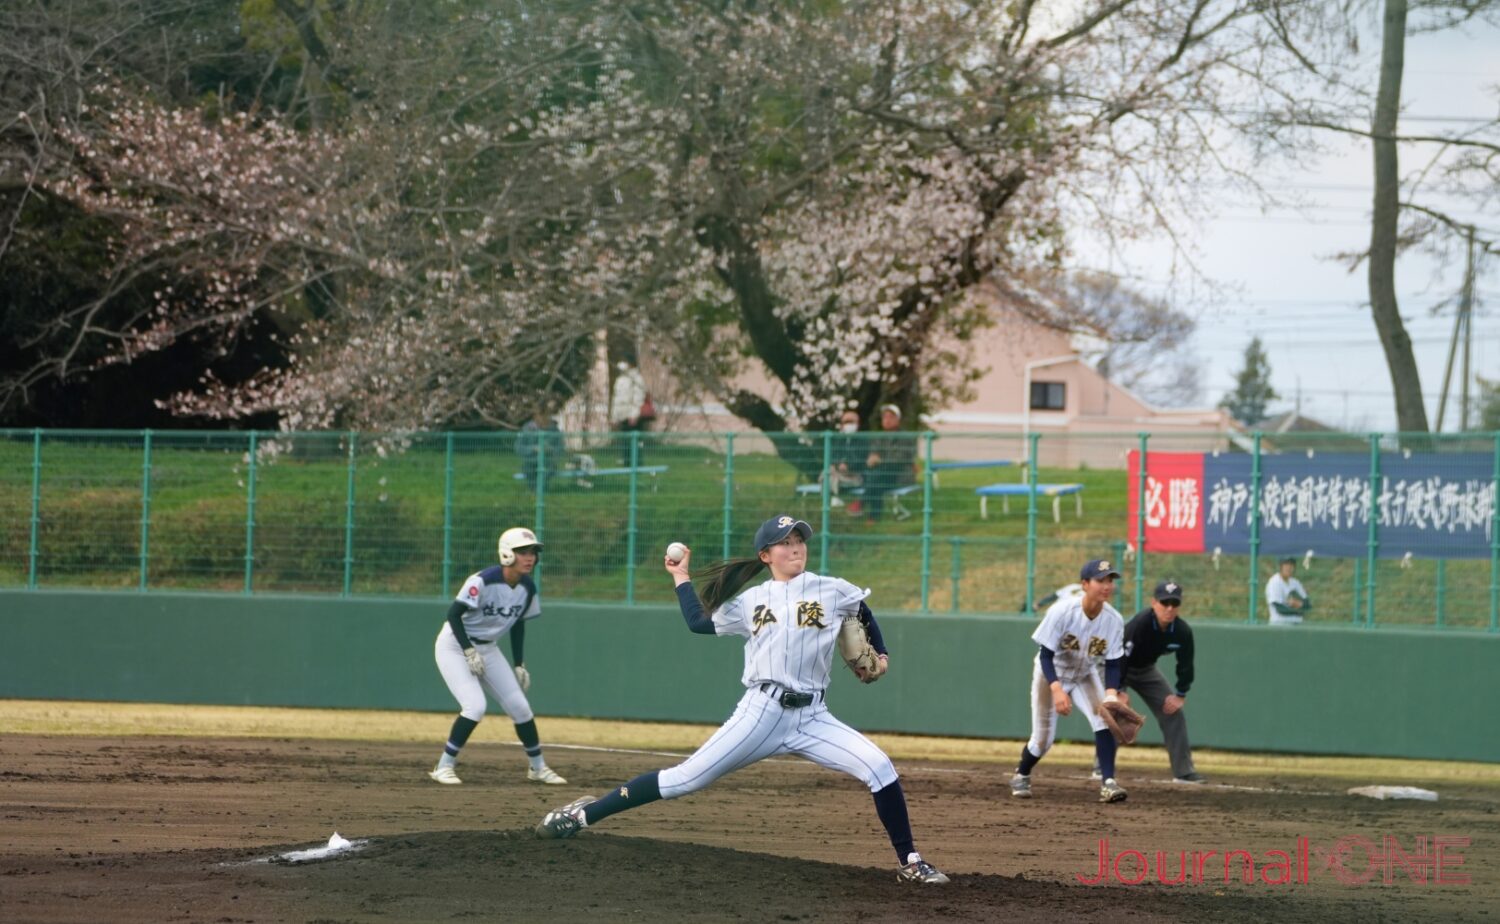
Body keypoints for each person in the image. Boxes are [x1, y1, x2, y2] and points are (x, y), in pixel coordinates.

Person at [534, 514, 951, 884]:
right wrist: (680, 577)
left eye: (799, 540)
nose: (795, 548)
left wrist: (882, 654)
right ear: (765, 555)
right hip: (762, 711)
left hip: (813, 716)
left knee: (879, 767)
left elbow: (864, 613)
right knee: (684, 780)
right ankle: (583, 814)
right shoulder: (752, 601)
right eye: (785, 543)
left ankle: (910, 862)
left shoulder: (832, 589)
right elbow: (698, 622)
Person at [428, 527, 568, 786]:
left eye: (533, 552)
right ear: (507, 554)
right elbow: (453, 615)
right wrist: (468, 650)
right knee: (475, 706)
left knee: (520, 708)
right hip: (455, 645)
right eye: (523, 552)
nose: (530, 557)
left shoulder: (527, 587)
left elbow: (518, 624)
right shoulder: (483, 580)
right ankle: (444, 766)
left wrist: (519, 663)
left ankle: (538, 768)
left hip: (488, 648)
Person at [1009, 559, 1129, 804]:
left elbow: (1113, 662)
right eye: (1100, 580)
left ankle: (1108, 782)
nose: (1107, 585)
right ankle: (1021, 773)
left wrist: (1111, 694)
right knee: (1042, 741)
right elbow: (1046, 655)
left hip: (1085, 673)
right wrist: (1057, 690)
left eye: (1110, 580)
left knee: (1104, 719)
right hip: (1051, 673)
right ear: (1085, 584)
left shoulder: (1114, 620)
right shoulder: (1062, 611)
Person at [1116, 580, 1204, 783]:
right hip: (1117, 666)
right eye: (1165, 603)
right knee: (1113, 710)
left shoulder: (1182, 631)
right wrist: (1118, 690)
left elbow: (1185, 664)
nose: (1169, 608)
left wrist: (1180, 694)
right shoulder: (1141, 623)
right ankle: (1101, 768)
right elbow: (1119, 656)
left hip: (1146, 670)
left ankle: (1183, 772)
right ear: (1154, 603)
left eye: (1175, 603)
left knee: (1173, 712)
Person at [863, 404, 916, 522]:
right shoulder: (879, 437)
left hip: (900, 475)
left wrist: (880, 460)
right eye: (885, 417)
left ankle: (864, 505)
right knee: (876, 481)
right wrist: (871, 459)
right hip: (881, 476)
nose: (887, 420)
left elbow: (899, 460)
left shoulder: (905, 438)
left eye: (891, 417)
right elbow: (873, 454)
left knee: (876, 479)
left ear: (898, 420)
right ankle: (873, 516)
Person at [610, 361, 655, 466]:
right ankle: (627, 463)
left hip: (633, 417)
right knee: (625, 442)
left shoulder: (637, 379)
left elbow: (638, 399)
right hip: (622, 416)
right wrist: (614, 417)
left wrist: (634, 415)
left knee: (635, 442)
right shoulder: (620, 380)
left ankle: (636, 464)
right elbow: (616, 400)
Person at [824, 408, 866, 511]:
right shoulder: (839, 440)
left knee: (830, 476)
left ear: (857, 424)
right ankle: (835, 497)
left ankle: (834, 497)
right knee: (828, 473)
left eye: (851, 422)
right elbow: (833, 457)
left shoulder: (863, 440)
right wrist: (838, 464)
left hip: (855, 475)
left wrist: (848, 465)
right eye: (846, 422)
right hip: (839, 473)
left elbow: (862, 460)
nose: (848, 425)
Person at [516, 409, 564, 491]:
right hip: (531, 460)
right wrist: (533, 448)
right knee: (528, 469)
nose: (544, 419)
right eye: (541, 416)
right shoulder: (527, 429)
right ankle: (535, 489)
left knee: (550, 469)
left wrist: (551, 449)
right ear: (535, 417)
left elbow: (560, 447)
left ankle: (540, 489)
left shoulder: (555, 430)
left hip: (548, 461)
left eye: (546, 416)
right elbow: (518, 447)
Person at [1265, 557, 1312, 625]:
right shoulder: (1274, 582)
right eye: (1286, 564)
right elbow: (1280, 609)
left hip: (1297, 625)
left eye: (1291, 565)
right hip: (1279, 625)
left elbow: (1308, 604)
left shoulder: (1295, 582)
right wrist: (1298, 611)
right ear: (1280, 566)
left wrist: (1299, 604)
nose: (1289, 568)